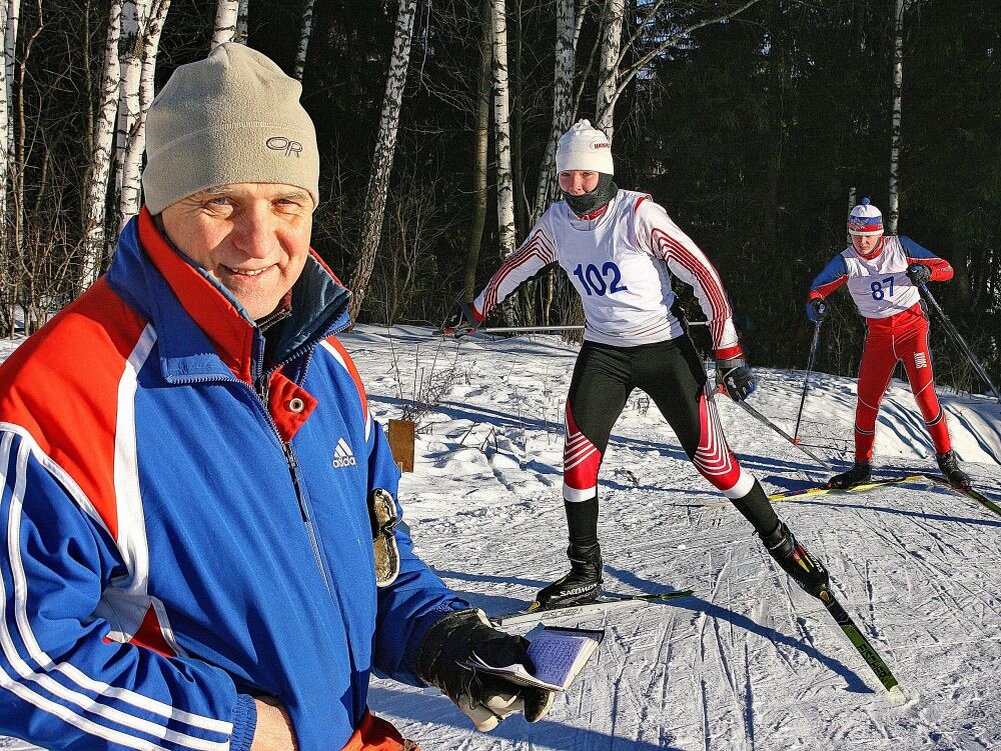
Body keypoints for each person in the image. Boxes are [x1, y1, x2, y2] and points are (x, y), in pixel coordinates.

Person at [0, 43, 553, 751]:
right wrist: (240, 730)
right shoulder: (62, 393)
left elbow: (374, 556)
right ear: (161, 203)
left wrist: (443, 638)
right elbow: (20, 656)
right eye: (218, 200)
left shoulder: (324, 365)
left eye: (285, 201)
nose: (259, 240)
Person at [442, 120, 830, 609]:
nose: (576, 187)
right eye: (566, 177)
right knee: (578, 461)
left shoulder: (639, 216)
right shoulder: (557, 225)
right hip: (604, 353)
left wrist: (728, 352)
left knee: (718, 467)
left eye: (585, 175)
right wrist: (476, 310)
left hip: (664, 351)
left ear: (603, 170)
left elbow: (703, 276)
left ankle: (784, 544)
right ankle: (585, 572)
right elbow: (516, 266)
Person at [805, 198, 971, 490]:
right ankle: (861, 467)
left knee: (924, 394)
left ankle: (948, 462)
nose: (863, 242)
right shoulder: (847, 260)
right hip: (879, 337)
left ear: (879, 233)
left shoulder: (901, 246)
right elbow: (817, 288)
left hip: (912, 330)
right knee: (867, 400)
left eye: (868, 236)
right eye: (857, 237)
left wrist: (926, 272)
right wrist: (815, 305)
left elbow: (946, 268)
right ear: (850, 234)